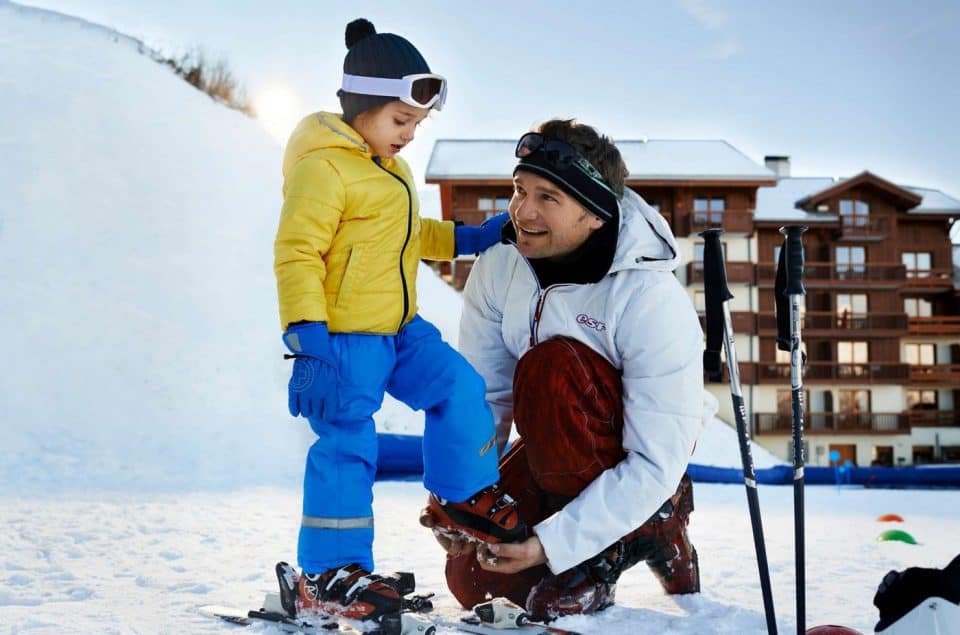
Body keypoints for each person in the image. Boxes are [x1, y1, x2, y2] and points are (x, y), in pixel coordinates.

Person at [272, 18, 522, 623]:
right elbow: (297, 252)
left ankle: (462, 495)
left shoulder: (390, 169)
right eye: (400, 121)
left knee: (459, 385)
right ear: (362, 106)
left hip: (401, 329)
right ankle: (332, 571)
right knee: (347, 444)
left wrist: (472, 237)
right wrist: (307, 340)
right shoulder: (323, 169)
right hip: (343, 339)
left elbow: (413, 234)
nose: (409, 135)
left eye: (416, 125)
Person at [420, 118, 717, 621]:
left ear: (595, 214)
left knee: (552, 368)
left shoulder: (648, 297)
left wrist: (549, 545)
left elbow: (653, 461)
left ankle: (649, 523)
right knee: (475, 581)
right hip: (551, 446)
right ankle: (598, 534)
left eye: (547, 198)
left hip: (641, 456)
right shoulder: (499, 265)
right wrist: (464, 492)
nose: (522, 211)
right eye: (519, 190)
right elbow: (484, 396)